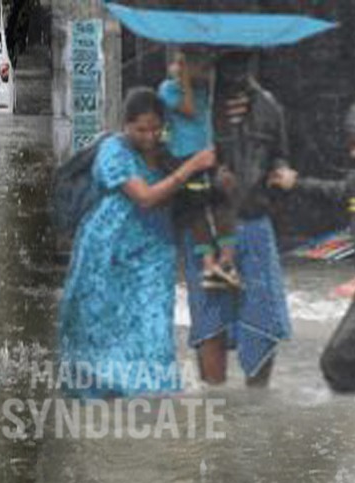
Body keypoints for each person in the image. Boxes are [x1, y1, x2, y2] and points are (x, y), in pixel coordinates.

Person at [58, 87, 215, 398]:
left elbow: (192, 198)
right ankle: (104, 402)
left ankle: (153, 404)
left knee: (153, 328)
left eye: (156, 128)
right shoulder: (113, 151)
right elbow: (144, 197)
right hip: (108, 252)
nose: (149, 136)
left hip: (154, 253)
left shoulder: (170, 151)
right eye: (140, 129)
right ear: (125, 125)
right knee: (100, 327)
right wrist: (191, 167)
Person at [268, 92, 355, 394]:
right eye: (351, 146)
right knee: (335, 363)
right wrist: (294, 183)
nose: (353, 154)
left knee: (341, 361)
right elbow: (330, 191)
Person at [183, 51, 293, 387]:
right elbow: (176, 163)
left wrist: (282, 174)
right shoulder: (197, 107)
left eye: (242, 64)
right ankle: (217, 415)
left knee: (263, 324)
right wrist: (213, 174)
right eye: (228, 65)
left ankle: (255, 414)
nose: (236, 74)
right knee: (210, 325)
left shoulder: (269, 107)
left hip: (255, 223)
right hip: (208, 231)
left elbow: (280, 158)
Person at [159, 49, 241, 289]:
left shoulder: (205, 88)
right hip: (184, 157)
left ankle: (225, 260)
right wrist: (183, 74)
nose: (204, 72)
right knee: (196, 209)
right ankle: (208, 264)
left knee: (222, 200)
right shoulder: (168, 88)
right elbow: (188, 109)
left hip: (208, 154)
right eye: (198, 67)